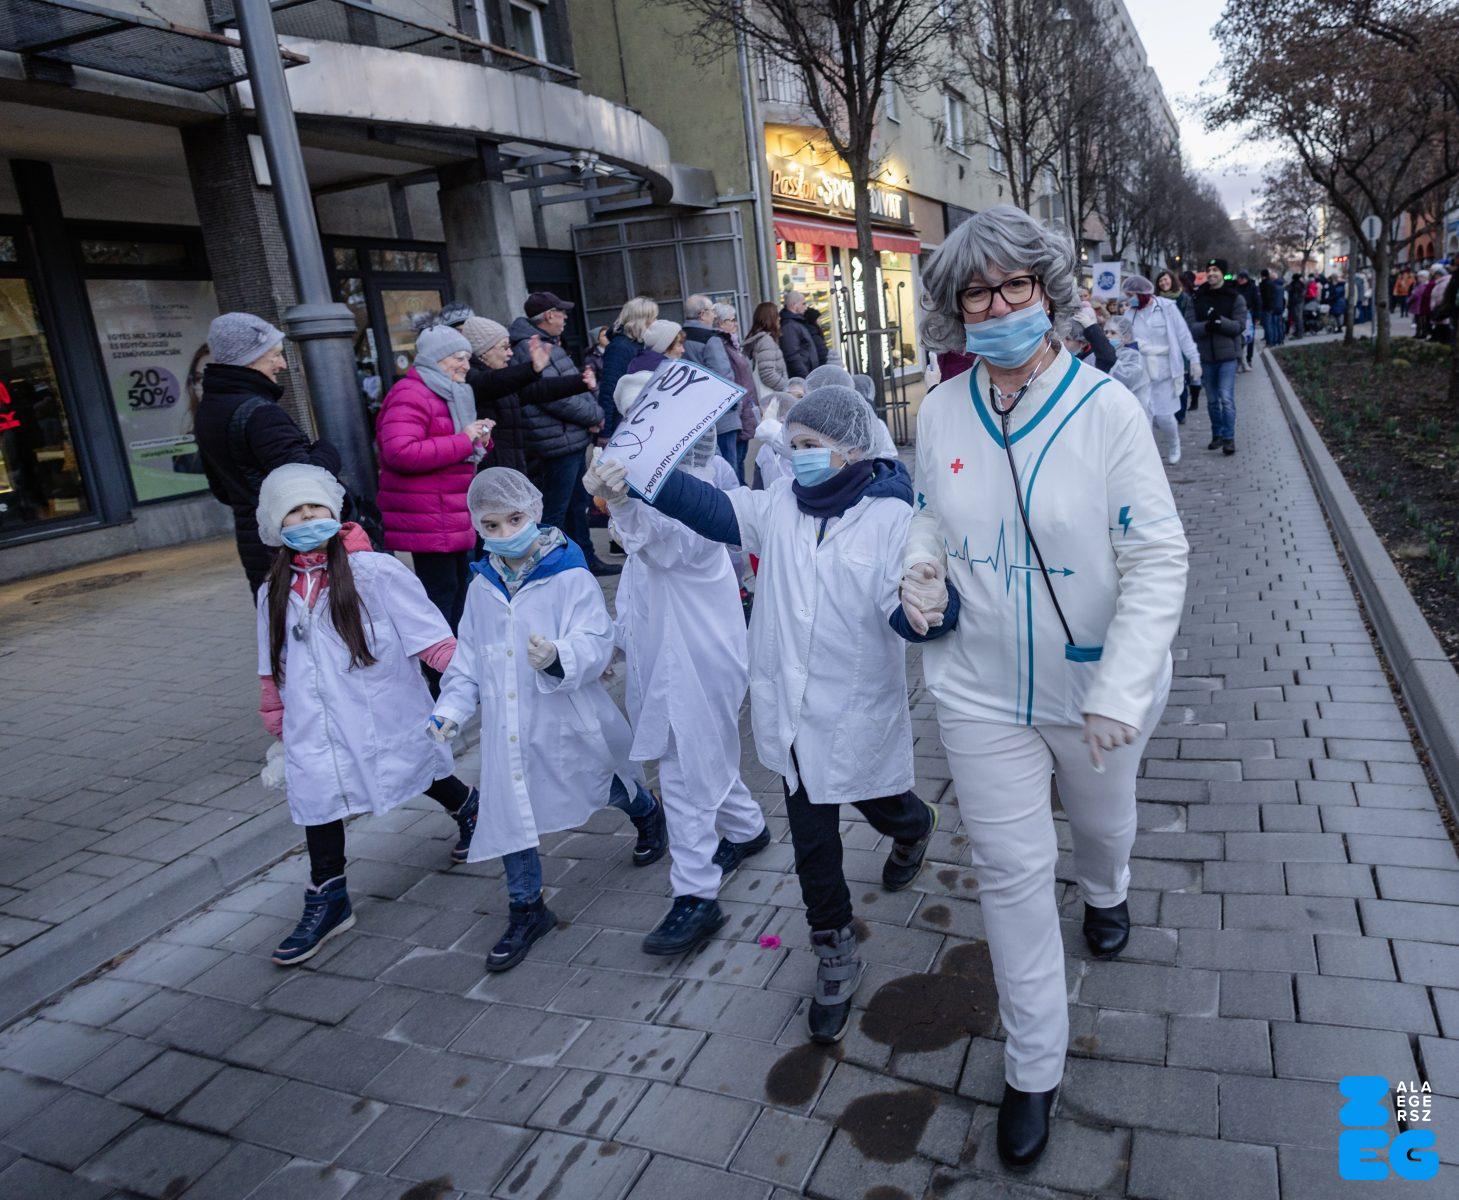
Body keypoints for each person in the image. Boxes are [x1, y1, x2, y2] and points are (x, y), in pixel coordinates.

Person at [903, 205, 1187, 1169]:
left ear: (1046, 291)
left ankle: (1107, 888)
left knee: (1102, 827)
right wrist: (916, 570)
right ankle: (1033, 1065)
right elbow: (927, 513)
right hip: (977, 687)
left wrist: (1121, 685)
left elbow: (1158, 557)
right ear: (953, 309)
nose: (994, 307)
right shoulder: (941, 410)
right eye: (974, 294)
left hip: (1092, 689)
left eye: (1011, 286)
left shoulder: (1105, 410)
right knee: (1011, 874)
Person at [598, 385, 936, 1045]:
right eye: (795, 444)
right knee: (813, 844)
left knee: (878, 799)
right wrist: (635, 477)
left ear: (853, 449)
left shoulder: (893, 518)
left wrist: (922, 611)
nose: (799, 456)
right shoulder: (779, 503)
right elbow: (710, 507)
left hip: (853, 706)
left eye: (813, 446)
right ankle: (833, 947)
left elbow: (904, 604)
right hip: (791, 716)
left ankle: (914, 824)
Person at [430, 468, 667, 971]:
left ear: (534, 513)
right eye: (491, 525)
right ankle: (527, 907)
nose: (504, 533)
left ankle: (646, 812)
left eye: (514, 519)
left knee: (600, 782)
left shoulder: (568, 573)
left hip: (565, 718)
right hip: (506, 728)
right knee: (509, 811)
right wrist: (449, 710)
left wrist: (560, 655)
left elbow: (597, 637)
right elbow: (469, 657)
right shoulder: (482, 586)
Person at [254, 464, 479, 966]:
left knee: (412, 764)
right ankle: (329, 895)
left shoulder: (375, 573)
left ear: (333, 512)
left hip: (380, 706)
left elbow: (429, 635)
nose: (307, 518)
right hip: (311, 719)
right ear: (276, 524)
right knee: (316, 794)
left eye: (315, 508)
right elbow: (272, 659)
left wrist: (468, 676)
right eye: (295, 512)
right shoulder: (272, 590)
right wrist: (274, 708)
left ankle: (469, 806)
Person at [581, 435, 768, 954]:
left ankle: (696, 894)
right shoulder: (654, 496)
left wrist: (621, 503)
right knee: (701, 757)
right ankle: (748, 828)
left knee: (683, 770)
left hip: (697, 666)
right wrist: (614, 645)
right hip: (668, 662)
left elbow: (664, 547)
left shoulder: (699, 497)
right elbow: (638, 585)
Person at [195, 313, 342, 594]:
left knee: (277, 615)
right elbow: (309, 482)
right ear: (249, 360)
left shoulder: (208, 409)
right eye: (274, 355)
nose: (282, 364)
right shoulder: (261, 414)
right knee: (317, 616)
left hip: (254, 541)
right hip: (295, 543)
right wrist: (328, 450)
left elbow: (222, 490)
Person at [376, 325, 495, 630]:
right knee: (442, 594)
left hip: (450, 510)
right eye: (459, 357)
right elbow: (400, 452)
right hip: (429, 514)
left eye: (467, 357)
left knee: (460, 588)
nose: (466, 365)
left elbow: (455, 445)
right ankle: (441, 657)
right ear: (435, 359)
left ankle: (459, 652)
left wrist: (479, 439)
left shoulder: (450, 391)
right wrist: (464, 440)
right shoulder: (410, 393)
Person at [507, 292, 618, 577]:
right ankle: (552, 568)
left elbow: (571, 388)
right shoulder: (530, 347)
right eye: (562, 312)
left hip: (566, 438)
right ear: (548, 315)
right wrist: (594, 416)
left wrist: (592, 413)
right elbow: (554, 397)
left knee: (576, 506)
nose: (566, 318)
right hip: (554, 442)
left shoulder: (546, 343)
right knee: (556, 511)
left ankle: (582, 560)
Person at [1123, 274, 1200, 465]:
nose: (1129, 299)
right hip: (1141, 371)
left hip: (1165, 371)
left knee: (1165, 417)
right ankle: (1148, 456)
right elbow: (1124, 340)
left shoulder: (1167, 307)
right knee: (1145, 416)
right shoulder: (1129, 314)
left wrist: (1194, 360)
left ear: (1142, 293)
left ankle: (1174, 444)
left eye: (1131, 295)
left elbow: (1183, 335)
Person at [461, 316, 554, 474]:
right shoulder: (473, 379)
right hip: (494, 470)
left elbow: (538, 389)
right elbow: (490, 382)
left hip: (511, 463)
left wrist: (581, 382)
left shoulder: (501, 377)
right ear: (484, 352)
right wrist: (532, 369)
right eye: (505, 347)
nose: (510, 353)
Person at [1190, 258, 1247, 456]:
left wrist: (1220, 322)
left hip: (1227, 356)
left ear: (1223, 273)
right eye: (1209, 270)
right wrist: (1207, 326)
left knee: (1226, 398)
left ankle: (1229, 438)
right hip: (1206, 356)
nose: (1211, 273)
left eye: (1215, 270)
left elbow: (1239, 326)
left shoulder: (1234, 297)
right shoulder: (1198, 297)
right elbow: (1191, 327)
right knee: (1212, 400)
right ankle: (1217, 434)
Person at [597, 297, 658, 439]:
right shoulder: (619, 347)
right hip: (622, 425)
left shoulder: (638, 344)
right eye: (653, 318)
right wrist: (605, 433)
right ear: (642, 320)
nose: (656, 323)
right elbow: (609, 390)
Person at [714, 303, 759, 481]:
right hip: (737, 410)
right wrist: (739, 406)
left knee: (740, 461)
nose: (736, 324)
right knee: (735, 464)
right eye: (731, 320)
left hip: (744, 408)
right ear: (720, 323)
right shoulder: (722, 346)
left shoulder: (732, 344)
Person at [744, 302, 792, 396]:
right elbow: (767, 374)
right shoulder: (766, 341)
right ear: (770, 318)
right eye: (777, 315)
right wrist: (786, 388)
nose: (779, 318)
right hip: (772, 394)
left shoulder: (761, 338)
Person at [779, 291, 824, 377]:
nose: (806, 307)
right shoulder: (789, 326)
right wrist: (805, 376)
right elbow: (792, 355)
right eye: (803, 304)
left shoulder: (797, 323)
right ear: (794, 305)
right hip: (802, 377)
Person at [1233, 270, 1260, 371]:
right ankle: (1240, 361)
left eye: (1242, 278)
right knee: (1239, 339)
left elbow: (1257, 302)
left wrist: (1257, 316)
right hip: (1238, 314)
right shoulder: (1235, 287)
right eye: (1239, 278)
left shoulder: (1253, 288)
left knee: (1249, 338)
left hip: (1249, 314)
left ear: (1246, 278)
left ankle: (1248, 359)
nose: (1240, 280)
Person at [1258, 269, 1285, 347]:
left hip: (1271, 307)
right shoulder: (1281, 286)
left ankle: (1272, 341)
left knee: (1271, 325)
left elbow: (1268, 297)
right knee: (1278, 324)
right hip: (1278, 307)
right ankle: (1280, 340)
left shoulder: (1269, 285)